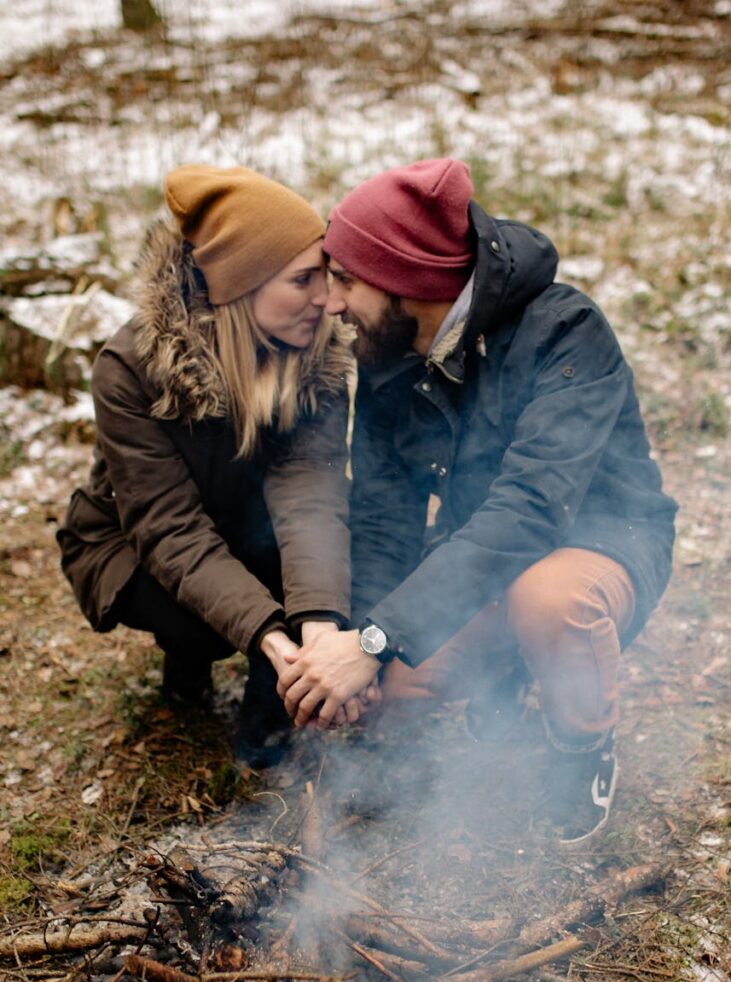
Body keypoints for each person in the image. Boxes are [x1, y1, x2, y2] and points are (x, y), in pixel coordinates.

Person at [277, 157, 677, 843]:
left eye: (345, 279)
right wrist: (361, 648)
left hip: (599, 547)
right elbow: (382, 515)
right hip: (483, 558)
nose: (330, 303)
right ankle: (503, 677)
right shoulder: (389, 351)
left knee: (547, 600)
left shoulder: (563, 330)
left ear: (407, 277)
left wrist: (378, 638)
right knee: (387, 693)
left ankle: (580, 745)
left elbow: (530, 509)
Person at [57, 163, 367, 757]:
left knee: (309, 572)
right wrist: (270, 637)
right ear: (240, 285)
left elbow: (310, 495)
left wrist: (317, 629)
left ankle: (275, 732)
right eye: (303, 280)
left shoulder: (317, 353)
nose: (327, 300)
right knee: (198, 618)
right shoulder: (131, 368)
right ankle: (190, 655)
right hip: (132, 546)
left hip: (250, 525)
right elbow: (168, 529)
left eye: (325, 274)